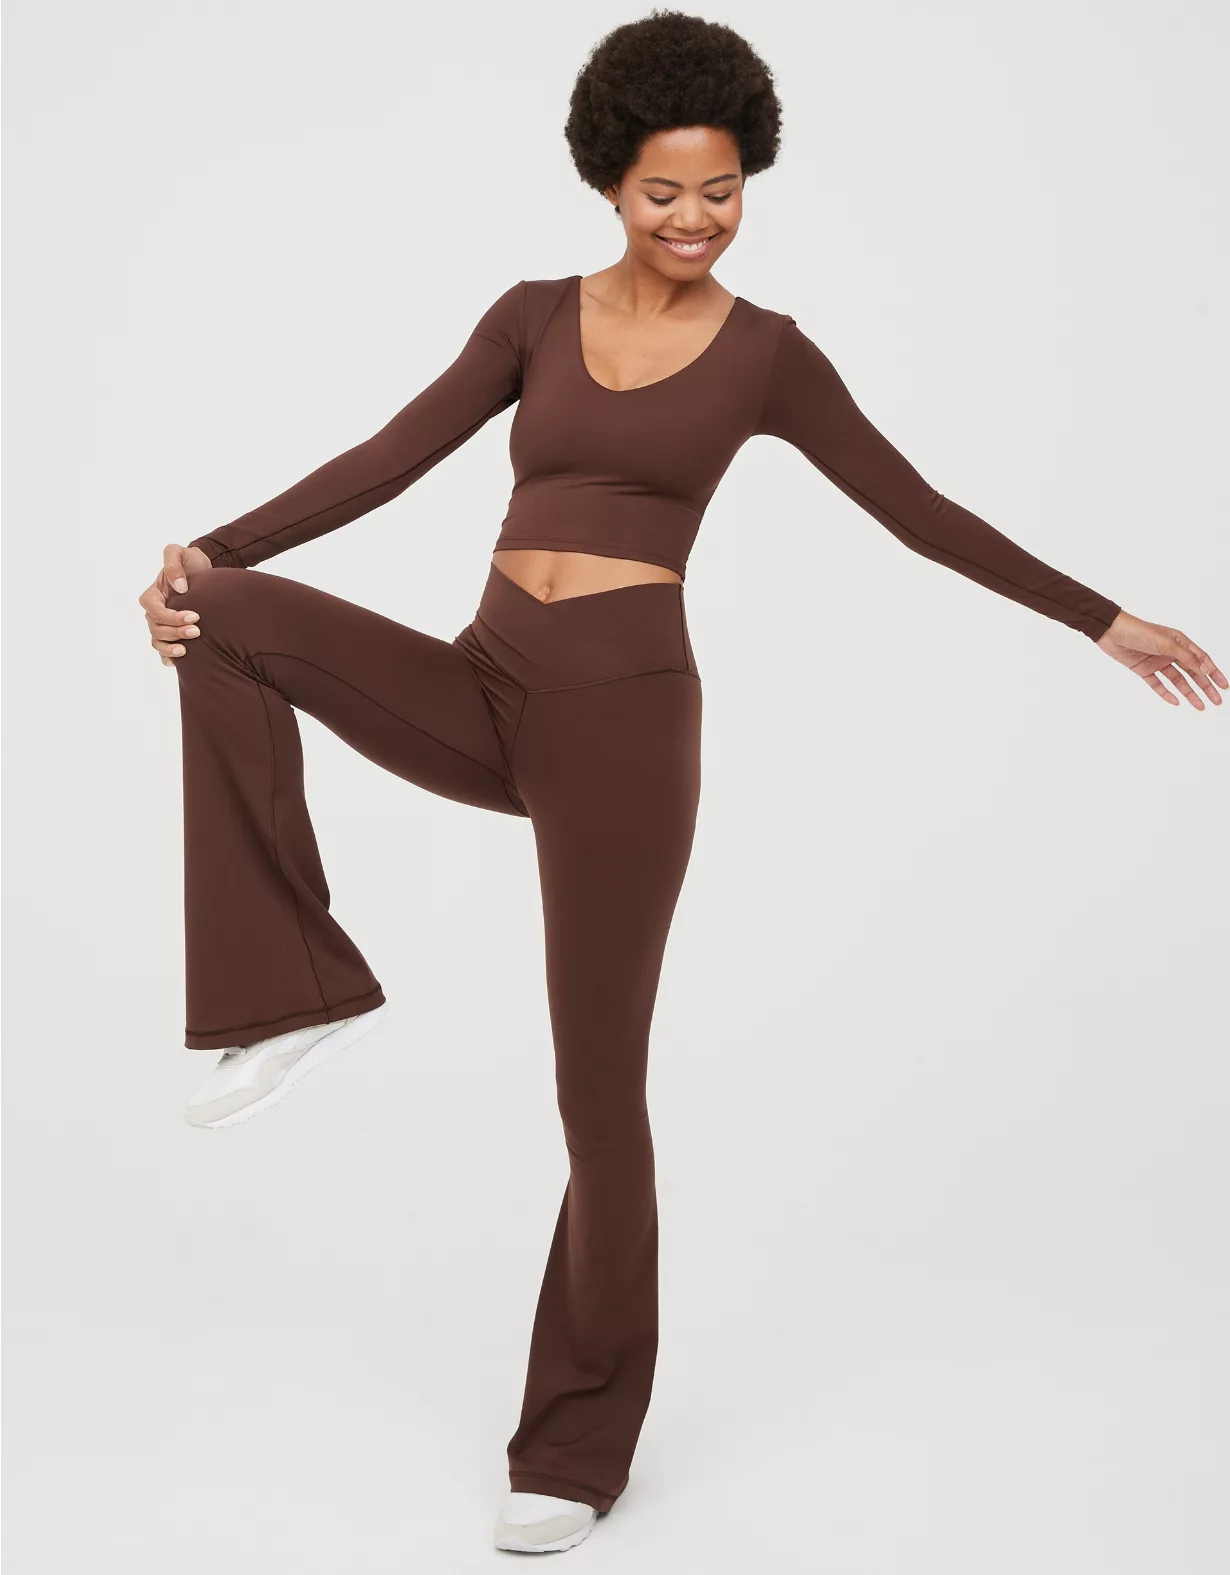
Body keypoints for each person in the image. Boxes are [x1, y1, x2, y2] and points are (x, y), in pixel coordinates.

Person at [137, 10, 1224, 1557]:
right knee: (220, 618)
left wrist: (1102, 619)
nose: (696, 218)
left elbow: (918, 510)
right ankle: (293, 988)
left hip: (623, 728)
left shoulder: (769, 354)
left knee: (596, 1088)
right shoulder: (530, 317)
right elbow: (387, 456)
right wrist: (210, 550)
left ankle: (575, 1445)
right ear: (608, 180)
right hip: (485, 680)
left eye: (722, 190)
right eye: (665, 191)